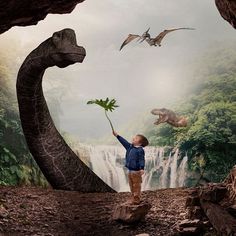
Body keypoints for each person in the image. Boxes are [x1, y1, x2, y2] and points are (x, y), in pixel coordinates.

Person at [113, 131, 149, 204]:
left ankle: (137, 199)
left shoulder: (140, 150)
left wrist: (142, 168)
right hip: (129, 171)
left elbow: (142, 159)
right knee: (131, 185)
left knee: (136, 185)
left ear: (140, 143)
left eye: (136, 138)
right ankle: (133, 197)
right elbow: (124, 142)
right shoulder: (129, 147)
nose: (133, 138)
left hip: (136, 171)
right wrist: (117, 136)